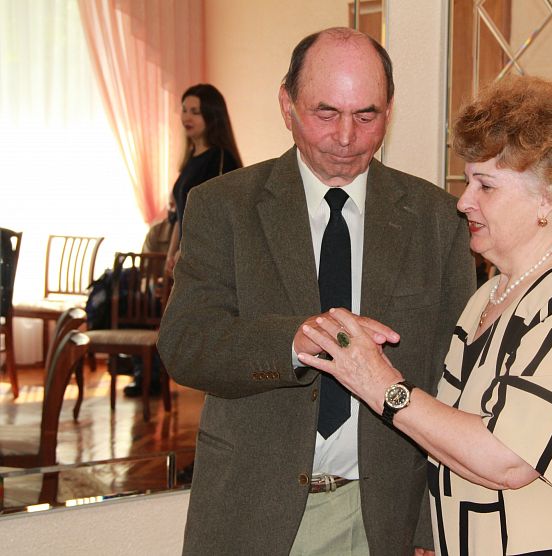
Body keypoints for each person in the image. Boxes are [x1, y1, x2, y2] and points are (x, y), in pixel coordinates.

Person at [299, 76, 552, 555]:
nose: (463, 202)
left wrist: (381, 384)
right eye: (467, 182)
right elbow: (453, 437)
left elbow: (508, 460)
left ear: (548, 196)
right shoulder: (490, 295)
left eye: (486, 185)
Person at [157, 27, 475, 556]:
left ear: (389, 110)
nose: (346, 137)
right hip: (250, 512)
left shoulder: (438, 219)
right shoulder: (222, 206)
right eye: (326, 113)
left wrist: (428, 525)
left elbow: (455, 379)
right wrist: (294, 341)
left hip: (387, 517)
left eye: (366, 116)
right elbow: (186, 344)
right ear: (287, 105)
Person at [165, 83, 242, 275]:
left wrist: (186, 250)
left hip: (208, 263)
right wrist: (171, 253)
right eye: (184, 110)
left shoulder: (222, 158)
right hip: (187, 261)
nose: (186, 117)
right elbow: (180, 216)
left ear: (211, 116)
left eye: (195, 112)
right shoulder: (189, 160)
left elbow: (217, 218)